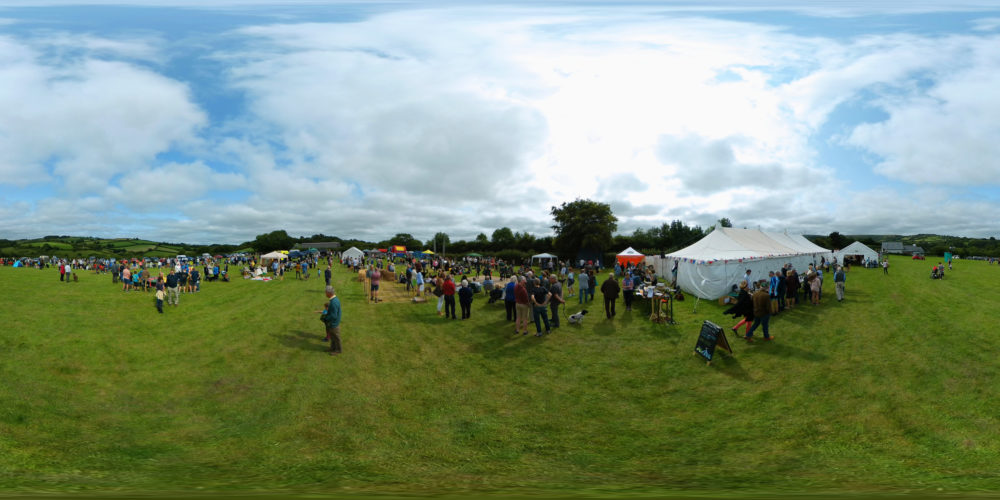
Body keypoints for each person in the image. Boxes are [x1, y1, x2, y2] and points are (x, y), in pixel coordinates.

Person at [318, 285, 342, 355]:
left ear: (329, 293)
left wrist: (326, 318)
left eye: (326, 292)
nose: (325, 293)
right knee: (333, 337)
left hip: (334, 323)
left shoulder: (334, 302)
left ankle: (338, 350)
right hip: (333, 323)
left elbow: (333, 315)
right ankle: (332, 348)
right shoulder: (334, 300)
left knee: (336, 337)